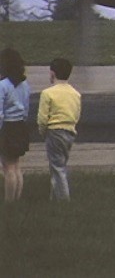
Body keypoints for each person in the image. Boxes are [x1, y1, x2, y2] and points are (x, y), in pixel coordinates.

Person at [38, 58, 81, 201]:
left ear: (52, 73)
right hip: (70, 132)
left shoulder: (47, 93)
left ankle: (63, 200)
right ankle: (54, 198)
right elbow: (76, 114)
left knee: (57, 167)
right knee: (59, 165)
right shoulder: (75, 93)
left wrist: (43, 132)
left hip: (54, 131)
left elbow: (43, 118)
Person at [0, 47, 31, 204]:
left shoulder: (3, 85)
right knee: (16, 165)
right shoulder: (24, 84)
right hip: (20, 126)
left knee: (8, 167)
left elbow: (0, 112)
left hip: (8, 128)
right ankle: (17, 199)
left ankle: (9, 201)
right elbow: (26, 107)